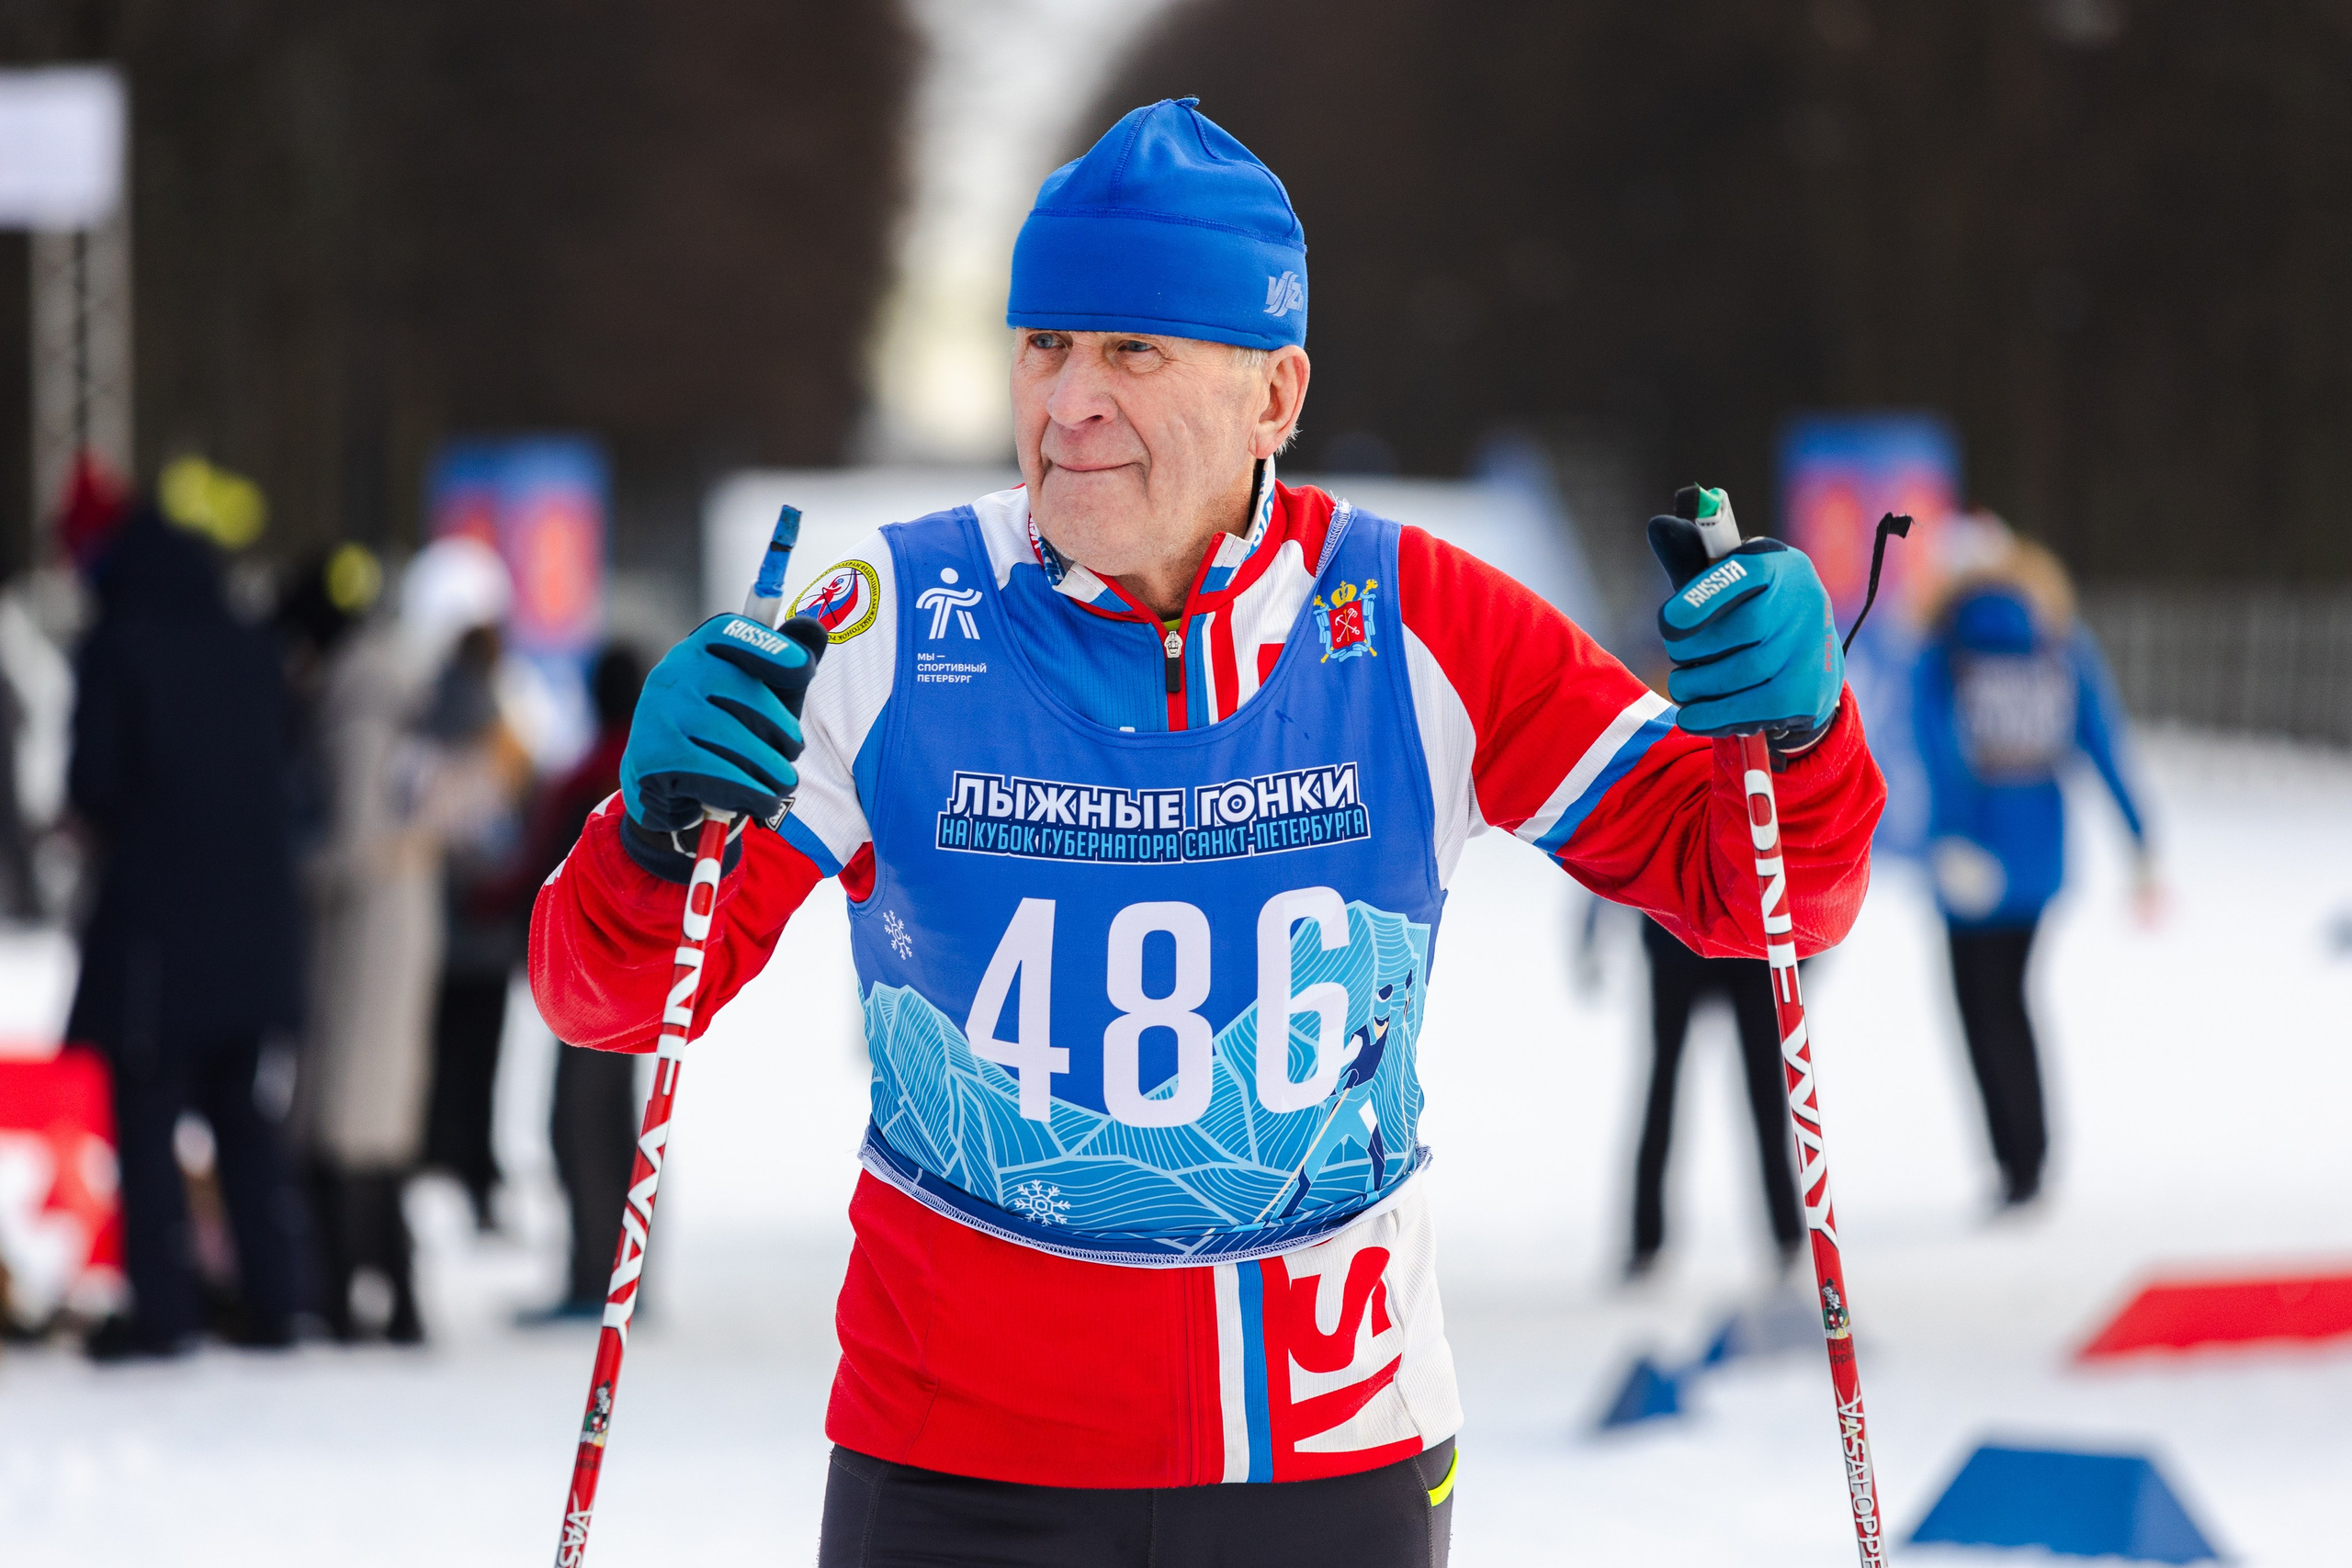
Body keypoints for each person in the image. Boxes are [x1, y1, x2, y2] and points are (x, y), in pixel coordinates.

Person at [531, 99, 1884, 1566]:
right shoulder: (884, 630)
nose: (1069, 404)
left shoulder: (1421, 622)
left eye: (1134, 351)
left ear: (1274, 394)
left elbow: (1758, 892)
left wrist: (1797, 731)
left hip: (1323, 1446)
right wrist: (659, 828)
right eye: (1045, 346)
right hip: (958, 1462)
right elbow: (609, 1000)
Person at [66, 501, 306, 1359]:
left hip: (155, 941)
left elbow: (94, 782)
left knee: (147, 1123)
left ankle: (166, 1311)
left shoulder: (118, 644)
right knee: (246, 1124)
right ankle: (279, 1300)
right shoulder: (249, 643)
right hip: (257, 938)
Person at [294, 536, 511, 1343]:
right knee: (376, 1114)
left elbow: (353, 834)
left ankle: (364, 1298)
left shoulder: (356, 697)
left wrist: (293, 865)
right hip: (405, 918)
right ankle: (389, 1297)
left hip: (366, 931)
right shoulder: (409, 690)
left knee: (356, 1116)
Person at [1915, 531, 2152, 1210]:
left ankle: (2011, 1162)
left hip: (1968, 864)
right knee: (2015, 1000)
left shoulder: (1942, 650)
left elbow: (1938, 748)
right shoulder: (2061, 643)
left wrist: (1955, 834)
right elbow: (2104, 742)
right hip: (2040, 862)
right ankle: (2035, 1155)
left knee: (1975, 1006)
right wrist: (2142, 840)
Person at [474, 642, 648, 1320]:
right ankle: (624, 1277)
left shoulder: (582, 778)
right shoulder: (650, 772)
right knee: (622, 1130)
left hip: (588, 984)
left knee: (577, 1128)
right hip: (644, 983)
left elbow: (535, 871)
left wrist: (474, 896)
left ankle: (591, 1279)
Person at [419, 621, 535, 1232]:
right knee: (482, 1060)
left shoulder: (428, 717)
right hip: (486, 930)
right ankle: (476, 1173)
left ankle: (439, 1157)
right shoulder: (500, 733)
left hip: (438, 923)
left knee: (440, 1053)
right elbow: (519, 817)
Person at [1625, 915, 1804, 1279]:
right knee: (1664, 1085)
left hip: (1750, 940)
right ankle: (1646, 1244)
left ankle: (1790, 1239)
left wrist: (1801, 951)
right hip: (1678, 931)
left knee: (1767, 1091)